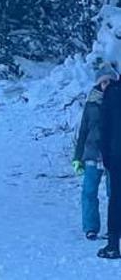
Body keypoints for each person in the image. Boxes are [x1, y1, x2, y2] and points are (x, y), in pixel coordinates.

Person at [74, 66, 116, 240]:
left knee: (114, 193)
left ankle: (115, 227)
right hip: (92, 153)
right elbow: (83, 130)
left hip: (114, 154)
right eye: (103, 82)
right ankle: (90, 227)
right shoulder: (91, 103)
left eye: (109, 81)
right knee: (89, 191)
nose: (106, 84)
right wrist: (77, 157)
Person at [101, 68, 121, 258]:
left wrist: (105, 155)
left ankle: (113, 245)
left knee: (116, 199)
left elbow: (104, 127)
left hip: (117, 155)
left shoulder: (111, 94)